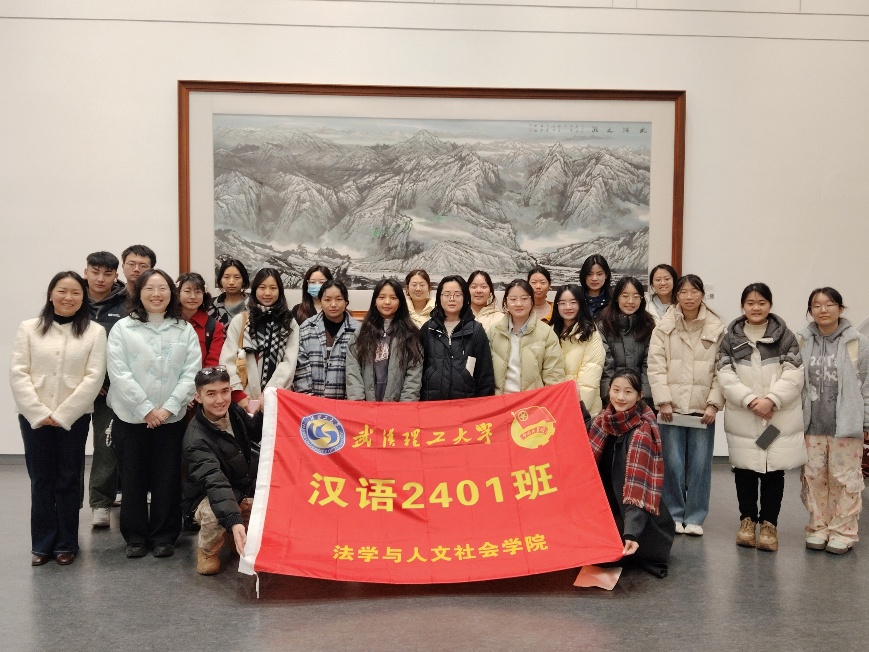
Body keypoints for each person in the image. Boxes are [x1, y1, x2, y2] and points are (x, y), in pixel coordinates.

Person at [10, 272, 107, 566]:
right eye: (62, 291)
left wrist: (63, 414)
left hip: (74, 418)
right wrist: (39, 413)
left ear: (83, 298)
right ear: (51, 294)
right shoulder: (29, 328)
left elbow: (94, 377)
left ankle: (66, 543)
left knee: (68, 479)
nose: (68, 297)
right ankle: (41, 544)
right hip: (34, 418)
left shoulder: (94, 332)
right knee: (41, 479)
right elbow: (18, 373)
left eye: (76, 292)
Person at [106, 269, 201, 558]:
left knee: (167, 478)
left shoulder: (183, 329)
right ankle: (135, 537)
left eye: (163, 288)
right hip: (131, 417)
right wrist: (146, 410)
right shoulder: (123, 328)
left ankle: (164, 536)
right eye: (149, 288)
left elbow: (191, 373)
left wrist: (168, 408)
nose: (156, 294)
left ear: (172, 293)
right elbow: (118, 373)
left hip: (171, 418)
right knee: (132, 478)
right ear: (139, 293)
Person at [717, 283, 805, 552]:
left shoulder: (785, 337)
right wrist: (751, 400)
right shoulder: (730, 339)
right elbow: (724, 375)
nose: (756, 307)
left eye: (762, 302)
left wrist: (771, 400)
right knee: (744, 469)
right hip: (744, 415)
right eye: (751, 303)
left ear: (770, 305)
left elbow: (794, 374)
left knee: (772, 470)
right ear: (743, 306)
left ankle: (769, 524)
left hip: (775, 417)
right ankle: (747, 521)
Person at [648, 274, 724, 536]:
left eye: (694, 291)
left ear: (702, 294)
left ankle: (695, 517)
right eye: (683, 292)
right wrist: (663, 400)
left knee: (700, 465)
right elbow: (656, 365)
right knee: (672, 463)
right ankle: (674, 514)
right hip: (671, 407)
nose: (689, 297)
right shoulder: (664, 326)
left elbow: (722, 369)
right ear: (676, 296)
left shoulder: (716, 327)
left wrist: (714, 404)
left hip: (703, 408)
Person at [798, 287, 869, 554]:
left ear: (840, 308)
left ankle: (843, 531)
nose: (823, 310)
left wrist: (866, 421)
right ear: (810, 311)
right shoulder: (802, 341)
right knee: (814, 477)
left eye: (829, 304)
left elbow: (867, 386)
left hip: (846, 426)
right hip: (812, 425)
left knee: (845, 479)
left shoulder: (857, 342)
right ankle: (818, 527)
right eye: (816, 305)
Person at [587, 370, 674, 578]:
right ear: (608, 390)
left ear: (639, 395)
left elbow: (638, 489)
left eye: (628, 392)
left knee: (604, 556)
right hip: (609, 507)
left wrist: (632, 532)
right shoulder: (601, 421)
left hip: (636, 515)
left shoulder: (642, 432)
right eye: (616, 390)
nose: (620, 397)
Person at [181, 367, 262, 575]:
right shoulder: (195, 439)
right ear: (198, 397)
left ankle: (232, 534)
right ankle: (207, 550)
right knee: (215, 513)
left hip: (240, 488)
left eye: (225, 391)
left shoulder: (234, 410)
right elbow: (215, 482)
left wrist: (262, 411)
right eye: (211, 394)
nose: (220, 400)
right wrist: (234, 520)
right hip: (206, 495)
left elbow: (255, 432)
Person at [83, 251, 127, 527]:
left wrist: (106, 381)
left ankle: (100, 503)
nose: (100, 278)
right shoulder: (74, 298)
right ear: (85, 271)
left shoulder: (126, 304)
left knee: (105, 445)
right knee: (70, 448)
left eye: (107, 273)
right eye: (95, 272)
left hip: (108, 390)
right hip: (75, 387)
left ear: (115, 275)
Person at [221, 268, 300, 412]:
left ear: (280, 291)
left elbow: (289, 362)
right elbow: (227, 359)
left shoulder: (289, 323)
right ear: (254, 290)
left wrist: (270, 393)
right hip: (244, 400)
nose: (267, 293)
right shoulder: (241, 321)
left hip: (278, 397)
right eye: (262, 287)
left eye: (273, 288)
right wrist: (239, 395)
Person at [420, 275, 495, 400]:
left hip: (466, 403)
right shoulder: (428, 329)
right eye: (447, 294)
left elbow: (485, 375)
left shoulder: (476, 330)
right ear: (439, 297)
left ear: (465, 297)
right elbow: (417, 370)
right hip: (431, 402)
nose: (452, 299)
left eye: (457, 294)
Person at [346, 278, 422, 402]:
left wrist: (405, 406)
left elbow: (414, 373)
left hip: (399, 405)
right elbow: (352, 368)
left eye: (393, 298)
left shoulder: (410, 333)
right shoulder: (362, 332)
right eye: (381, 297)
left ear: (400, 302)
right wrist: (358, 402)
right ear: (375, 302)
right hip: (366, 404)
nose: (387, 302)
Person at [487, 279, 565, 394]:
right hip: (501, 400)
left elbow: (554, 376)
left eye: (524, 299)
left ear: (532, 301)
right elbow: (484, 373)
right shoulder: (493, 332)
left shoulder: (546, 333)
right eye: (513, 299)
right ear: (505, 303)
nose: (518, 304)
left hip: (533, 401)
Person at [293, 279, 359, 399]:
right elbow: (300, 367)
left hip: (346, 403)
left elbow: (359, 371)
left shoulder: (358, 330)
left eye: (338, 299)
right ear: (321, 302)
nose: (333, 304)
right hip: (310, 402)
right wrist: (308, 399)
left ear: (346, 302)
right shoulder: (307, 328)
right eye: (327, 300)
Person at [598, 276, 656, 407]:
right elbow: (606, 365)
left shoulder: (648, 324)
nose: (630, 301)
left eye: (636, 296)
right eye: (625, 296)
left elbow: (649, 363)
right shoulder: (603, 325)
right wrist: (612, 396)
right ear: (616, 298)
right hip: (611, 400)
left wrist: (643, 397)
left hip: (641, 399)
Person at [549, 283, 604, 415]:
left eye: (573, 302)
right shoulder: (549, 332)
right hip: (553, 407)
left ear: (581, 304)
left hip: (582, 409)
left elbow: (589, 382)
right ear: (557, 306)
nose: (568, 307)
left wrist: (576, 411)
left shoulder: (591, 334)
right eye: (562, 303)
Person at [177, 272, 226, 368]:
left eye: (198, 292)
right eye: (187, 291)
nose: (193, 296)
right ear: (178, 293)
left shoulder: (214, 327)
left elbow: (213, 363)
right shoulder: (169, 322)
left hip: (202, 376)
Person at [210, 258, 249, 328]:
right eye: (226, 277)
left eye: (236, 277)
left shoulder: (253, 304)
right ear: (221, 280)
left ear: (243, 280)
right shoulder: (211, 305)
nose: (231, 282)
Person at [579, 254, 612, 318]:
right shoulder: (576, 298)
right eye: (590, 274)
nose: (594, 278)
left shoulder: (614, 300)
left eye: (599, 274)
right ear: (584, 275)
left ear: (606, 275)